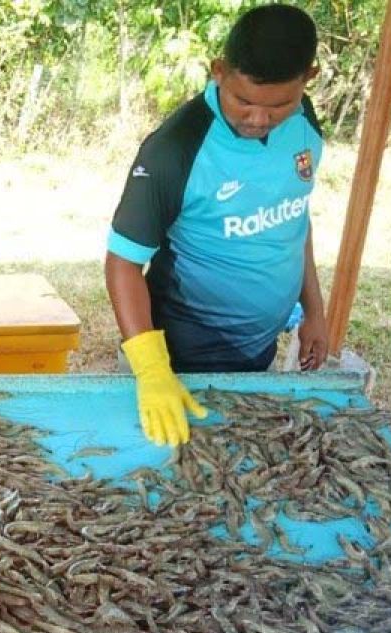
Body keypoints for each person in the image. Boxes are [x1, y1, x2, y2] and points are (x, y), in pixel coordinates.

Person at [104, 4, 328, 447]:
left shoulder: (305, 122)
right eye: (243, 101)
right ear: (219, 71)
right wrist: (153, 371)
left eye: (279, 104)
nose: (258, 119)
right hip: (186, 350)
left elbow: (293, 216)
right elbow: (122, 263)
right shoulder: (175, 149)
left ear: (310, 77)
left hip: (258, 346)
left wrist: (315, 312)